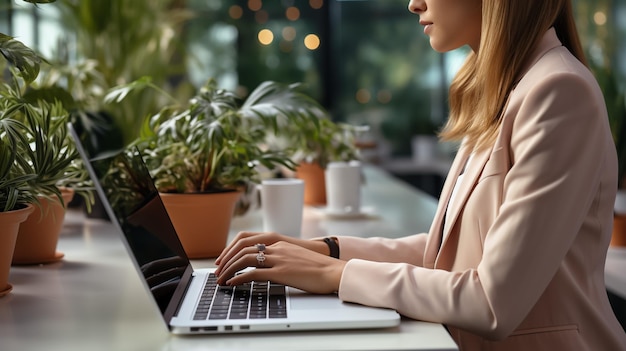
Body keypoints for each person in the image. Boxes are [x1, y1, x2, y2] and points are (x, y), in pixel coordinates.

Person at [215, 0, 626, 349]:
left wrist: (330, 275)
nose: (413, 3)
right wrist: (325, 249)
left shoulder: (558, 93)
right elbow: (447, 253)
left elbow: (491, 301)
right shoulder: (508, 90)